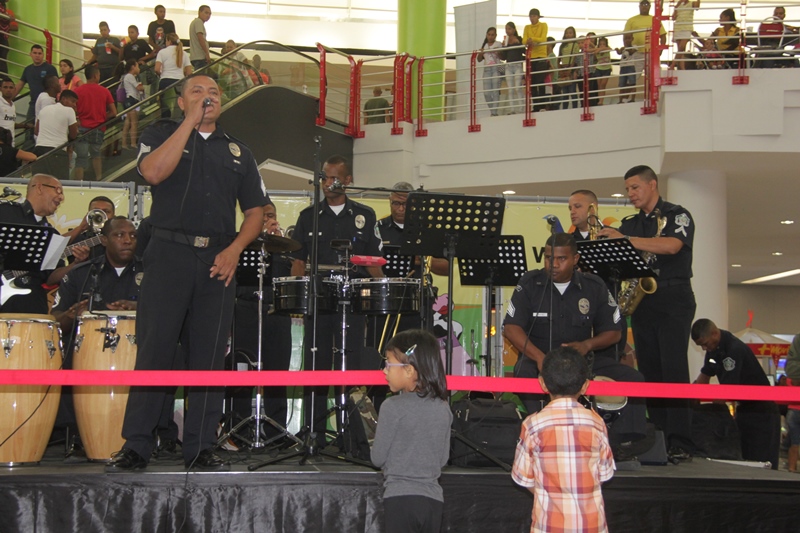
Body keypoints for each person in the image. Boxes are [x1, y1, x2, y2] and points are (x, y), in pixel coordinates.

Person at [106, 74, 267, 472]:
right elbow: (152, 173)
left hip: (218, 261)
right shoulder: (160, 133)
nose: (207, 97)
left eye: (213, 92)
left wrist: (234, 250)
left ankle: (200, 447)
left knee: (209, 356)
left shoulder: (239, 151)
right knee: (155, 350)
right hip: (168, 255)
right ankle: (137, 445)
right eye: (197, 91)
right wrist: (190, 123)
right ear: (180, 102)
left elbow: (255, 212)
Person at [598, 164, 696, 462]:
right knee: (650, 370)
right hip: (644, 302)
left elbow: (672, 245)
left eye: (635, 187)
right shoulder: (631, 223)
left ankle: (681, 441)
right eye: (628, 189)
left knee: (674, 368)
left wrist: (625, 240)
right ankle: (659, 437)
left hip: (673, 297)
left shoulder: (677, 215)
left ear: (652, 184)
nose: (630, 194)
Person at [289, 154, 384, 446]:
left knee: (351, 366)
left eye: (334, 178)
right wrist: (298, 297)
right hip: (319, 301)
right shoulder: (309, 216)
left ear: (348, 180)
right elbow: (298, 261)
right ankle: (314, 434)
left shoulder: (364, 215)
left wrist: (382, 289)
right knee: (316, 364)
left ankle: (350, 437)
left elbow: (374, 262)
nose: (328, 183)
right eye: (324, 178)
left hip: (352, 303)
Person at [50, 216, 141, 457]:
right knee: (63, 355)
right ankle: (78, 432)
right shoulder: (82, 274)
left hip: (137, 350)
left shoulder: (151, 272)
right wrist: (70, 315)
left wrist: (140, 309)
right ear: (103, 240)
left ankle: (151, 434)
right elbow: (55, 321)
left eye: (132, 235)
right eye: (119, 235)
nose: (127, 240)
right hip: (87, 352)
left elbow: (170, 314)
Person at [512, 346, 615, 533]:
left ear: (543, 384)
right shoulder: (597, 423)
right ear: (585, 386)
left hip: (548, 526)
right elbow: (604, 474)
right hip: (592, 526)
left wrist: (551, 493)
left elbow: (523, 478)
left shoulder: (532, 425)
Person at [371, 329, 451, 533]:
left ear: (409, 370)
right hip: (433, 501)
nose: (385, 371)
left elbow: (377, 458)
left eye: (389, 364)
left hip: (400, 499)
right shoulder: (443, 408)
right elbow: (442, 459)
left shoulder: (391, 407)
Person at [230, 201, 293, 440]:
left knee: (277, 372)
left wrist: (279, 247)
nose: (269, 220)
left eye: (272, 216)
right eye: (263, 217)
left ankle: (276, 431)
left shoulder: (285, 249)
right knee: (242, 369)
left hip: (276, 312)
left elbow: (292, 280)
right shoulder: (240, 244)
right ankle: (239, 429)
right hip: (246, 309)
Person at [691, 319, 781, 469]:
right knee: (745, 460)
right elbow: (705, 375)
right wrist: (691, 399)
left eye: (705, 344)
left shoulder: (734, 350)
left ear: (714, 334)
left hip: (763, 413)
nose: (704, 348)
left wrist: (711, 416)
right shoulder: (713, 351)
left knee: (761, 462)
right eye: (701, 346)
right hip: (744, 410)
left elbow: (726, 390)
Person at [0, 174, 89, 314]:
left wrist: (75, 264)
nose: (61, 197)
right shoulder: (6, 211)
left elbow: (51, 278)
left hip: (33, 305)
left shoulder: (51, 233)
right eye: (58, 190)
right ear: (39, 188)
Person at [73, 65, 117, 181]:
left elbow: (72, 110)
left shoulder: (77, 91)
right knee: (96, 155)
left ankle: (78, 184)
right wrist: (102, 117)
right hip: (98, 128)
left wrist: (78, 119)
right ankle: (99, 179)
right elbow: (114, 112)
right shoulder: (104, 91)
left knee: (81, 159)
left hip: (82, 128)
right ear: (95, 76)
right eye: (99, 75)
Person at [33, 89, 78, 181]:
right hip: (57, 151)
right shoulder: (69, 110)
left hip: (39, 150)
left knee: (40, 181)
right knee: (58, 182)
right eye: (73, 101)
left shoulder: (44, 109)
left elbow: (36, 131)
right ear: (63, 99)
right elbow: (74, 135)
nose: (74, 105)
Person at [14, 44, 58, 135]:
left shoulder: (50, 68)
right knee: (28, 129)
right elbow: (19, 86)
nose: (37, 55)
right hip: (33, 104)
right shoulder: (27, 70)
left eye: (39, 53)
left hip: (48, 104)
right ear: (30, 54)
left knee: (46, 128)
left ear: (43, 55)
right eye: (35, 53)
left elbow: (57, 85)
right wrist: (8, 99)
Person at [63, 195, 116, 261]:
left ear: (113, 216)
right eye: (96, 211)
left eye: (106, 211)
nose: (101, 215)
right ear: (89, 214)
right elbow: (53, 247)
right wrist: (81, 227)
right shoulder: (78, 237)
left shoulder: (119, 238)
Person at [623, 1, 667, 80]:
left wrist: (660, 51)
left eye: (646, 4)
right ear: (639, 6)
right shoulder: (631, 20)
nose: (644, 6)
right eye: (642, 4)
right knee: (633, 78)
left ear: (650, 6)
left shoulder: (655, 20)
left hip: (651, 53)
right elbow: (626, 36)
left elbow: (663, 36)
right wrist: (628, 50)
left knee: (654, 78)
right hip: (636, 53)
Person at [155, 33, 192, 119]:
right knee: (179, 107)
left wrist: (161, 74)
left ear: (169, 41)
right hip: (180, 83)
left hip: (165, 82)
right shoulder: (184, 53)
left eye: (166, 41)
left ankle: (166, 124)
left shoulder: (162, 52)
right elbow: (189, 72)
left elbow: (157, 69)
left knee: (165, 109)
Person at [522, 8, 548, 112]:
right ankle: (536, 106)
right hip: (531, 57)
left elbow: (543, 38)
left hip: (541, 56)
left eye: (534, 16)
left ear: (538, 17)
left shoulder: (543, 25)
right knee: (532, 82)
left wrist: (531, 39)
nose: (532, 18)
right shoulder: (527, 27)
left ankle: (542, 105)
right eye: (531, 16)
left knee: (540, 81)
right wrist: (530, 41)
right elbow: (524, 40)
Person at [477, 27, 502, 116]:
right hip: (487, 70)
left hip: (496, 68)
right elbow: (479, 59)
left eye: (492, 35)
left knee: (495, 91)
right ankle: (493, 112)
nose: (490, 37)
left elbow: (503, 57)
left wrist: (498, 52)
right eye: (489, 35)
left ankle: (494, 113)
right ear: (486, 35)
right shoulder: (484, 45)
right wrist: (481, 53)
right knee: (487, 93)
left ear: (495, 35)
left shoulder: (498, 44)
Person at [119, 60, 144, 150]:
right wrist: (142, 87)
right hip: (132, 100)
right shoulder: (130, 76)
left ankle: (124, 143)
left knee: (128, 122)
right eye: (137, 66)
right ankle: (133, 143)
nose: (139, 69)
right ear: (133, 67)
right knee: (134, 123)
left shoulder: (128, 76)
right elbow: (139, 88)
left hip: (129, 100)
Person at [501, 22, 524, 114]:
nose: (507, 31)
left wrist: (518, 43)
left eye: (509, 29)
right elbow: (504, 57)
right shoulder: (506, 40)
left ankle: (521, 108)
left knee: (518, 87)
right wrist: (503, 47)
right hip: (508, 65)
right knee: (510, 88)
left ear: (514, 30)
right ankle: (512, 109)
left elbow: (524, 51)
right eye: (506, 29)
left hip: (518, 64)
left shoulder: (519, 38)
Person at [670, 0, 701, 70]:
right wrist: (677, 5)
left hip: (687, 28)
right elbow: (673, 17)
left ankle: (673, 65)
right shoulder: (679, 4)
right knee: (681, 50)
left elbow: (697, 7)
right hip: (678, 28)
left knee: (681, 48)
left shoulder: (692, 3)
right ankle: (682, 68)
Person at [0, 75, 29, 146]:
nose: (8, 90)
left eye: (11, 87)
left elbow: (10, 123)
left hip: (10, 143)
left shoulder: (12, 105)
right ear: (0, 89)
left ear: (14, 89)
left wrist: (25, 125)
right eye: (5, 87)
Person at [558, 27, 580, 110]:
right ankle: (565, 109)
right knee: (565, 91)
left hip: (571, 67)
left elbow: (575, 57)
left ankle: (575, 108)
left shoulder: (575, 44)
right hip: (563, 67)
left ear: (574, 34)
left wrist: (571, 68)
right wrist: (559, 69)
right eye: (567, 33)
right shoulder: (562, 45)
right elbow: (559, 58)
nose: (568, 35)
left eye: (570, 33)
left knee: (572, 90)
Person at [189, 5, 212, 71]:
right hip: (200, 57)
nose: (208, 15)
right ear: (199, 12)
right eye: (206, 13)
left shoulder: (195, 22)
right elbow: (200, 38)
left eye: (209, 14)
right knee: (201, 76)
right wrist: (207, 53)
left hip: (196, 57)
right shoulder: (198, 22)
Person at [0, 0, 18, 73]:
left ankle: (4, 78)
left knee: (3, 59)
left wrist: (6, 22)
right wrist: (7, 20)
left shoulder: (8, 11)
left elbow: (15, 27)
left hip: (3, 37)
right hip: (2, 37)